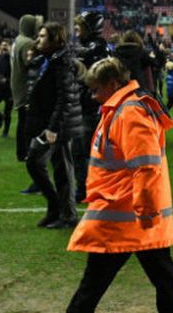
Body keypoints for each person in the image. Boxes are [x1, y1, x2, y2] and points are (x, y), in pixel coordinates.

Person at [66, 57, 173, 313]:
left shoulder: (129, 112)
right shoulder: (124, 108)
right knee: (166, 286)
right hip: (132, 214)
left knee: (91, 289)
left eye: (96, 89)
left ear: (111, 84)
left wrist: (144, 211)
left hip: (124, 215)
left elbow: (145, 167)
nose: (93, 95)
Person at [25, 22, 83, 229]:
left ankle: (65, 214)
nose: (38, 39)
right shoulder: (46, 60)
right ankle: (57, 208)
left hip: (58, 125)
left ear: (54, 40)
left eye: (42, 36)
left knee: (55, 167)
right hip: (47, 122)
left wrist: (53, 127)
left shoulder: (62, 63)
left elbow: (65, 98)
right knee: (45, 164)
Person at [73, 11, 109, 202]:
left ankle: (87, 188)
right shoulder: (90, 48)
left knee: (85, 151)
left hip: (90, 108)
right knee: (80, 151)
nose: (77, 31)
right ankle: (84, 188)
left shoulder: (97, 49)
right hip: (84, 106)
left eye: (81, 27)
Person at [11, 14, 44, 194]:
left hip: (18, 88)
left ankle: (22, 153)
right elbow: (32, 65)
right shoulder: (26, 44)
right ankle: (26, 154)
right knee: (30, 128)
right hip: (26, 91)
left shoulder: (18, 40)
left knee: (23, 124)